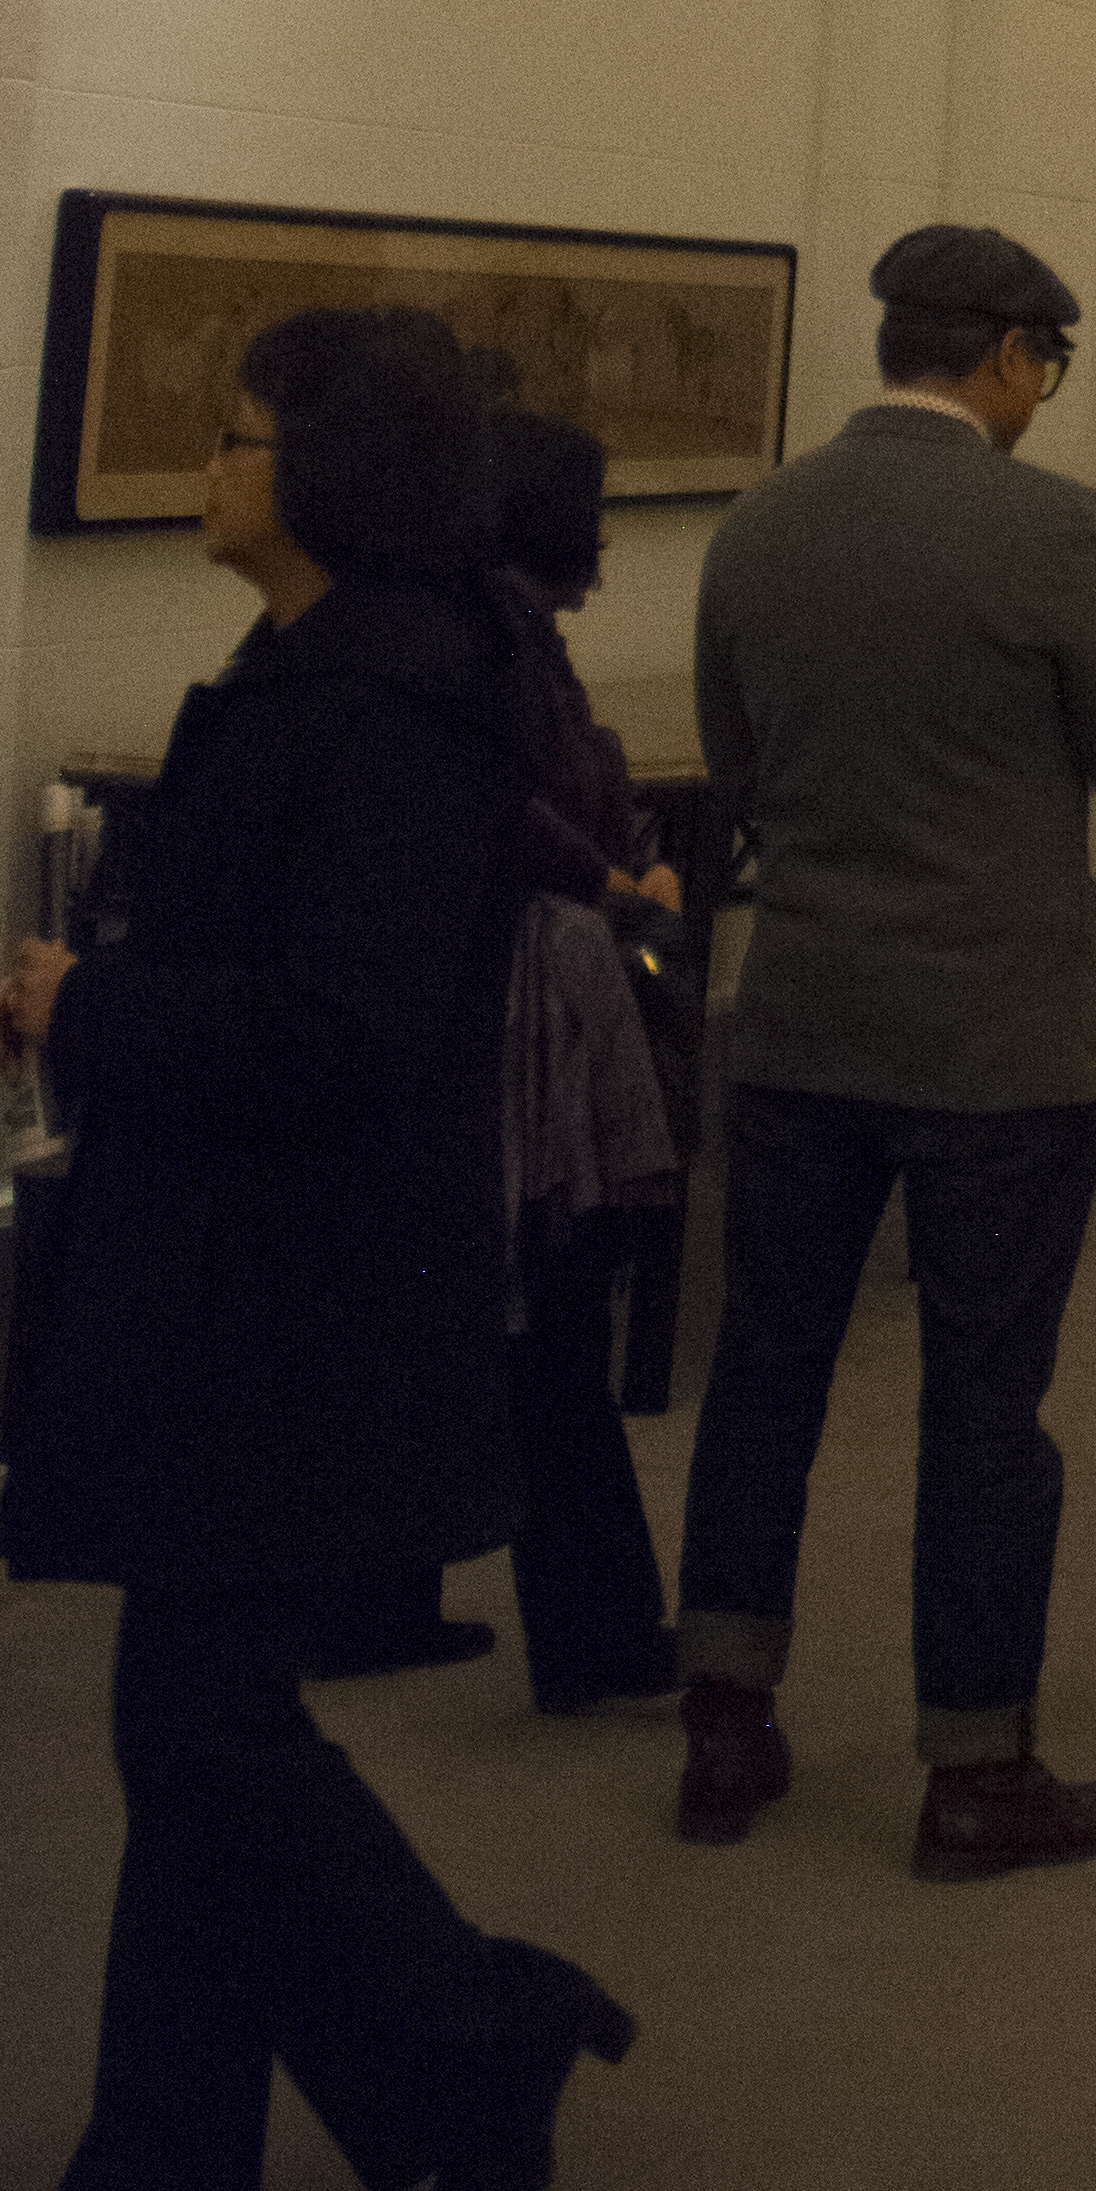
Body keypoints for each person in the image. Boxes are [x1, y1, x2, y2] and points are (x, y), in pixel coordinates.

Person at [0, 306, 639, 2191]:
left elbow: (345, 1025)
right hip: (242, 1282)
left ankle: (473, 2029)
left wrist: (93, 1006)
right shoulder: (324, 667)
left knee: (201, 1732)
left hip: (294, 1305)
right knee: (194, 1734)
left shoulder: (388, 704)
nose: (211, 467)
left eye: (241, 438)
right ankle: (162, 2180)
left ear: (333, 477)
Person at [673, 223, 1096, 1877]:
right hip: (996, 1045)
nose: (1045, 390)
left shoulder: (758, 524)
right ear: (1002, 358)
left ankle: (724, 1719)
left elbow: (733, 761)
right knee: (985, 1407)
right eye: (1043, 361)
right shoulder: (1054, 533)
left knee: (767, 1374)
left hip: (804, 1022)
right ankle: (976, 1769)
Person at [488, 407, 688, 1716]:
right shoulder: (500, 649)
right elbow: (515, 805)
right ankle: (600, 1632)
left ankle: (590, 1627)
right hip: (533, 1010)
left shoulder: (493, 636)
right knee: (556, 1337)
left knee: (538, 1337)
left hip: (533, 991)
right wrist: (623, 882)